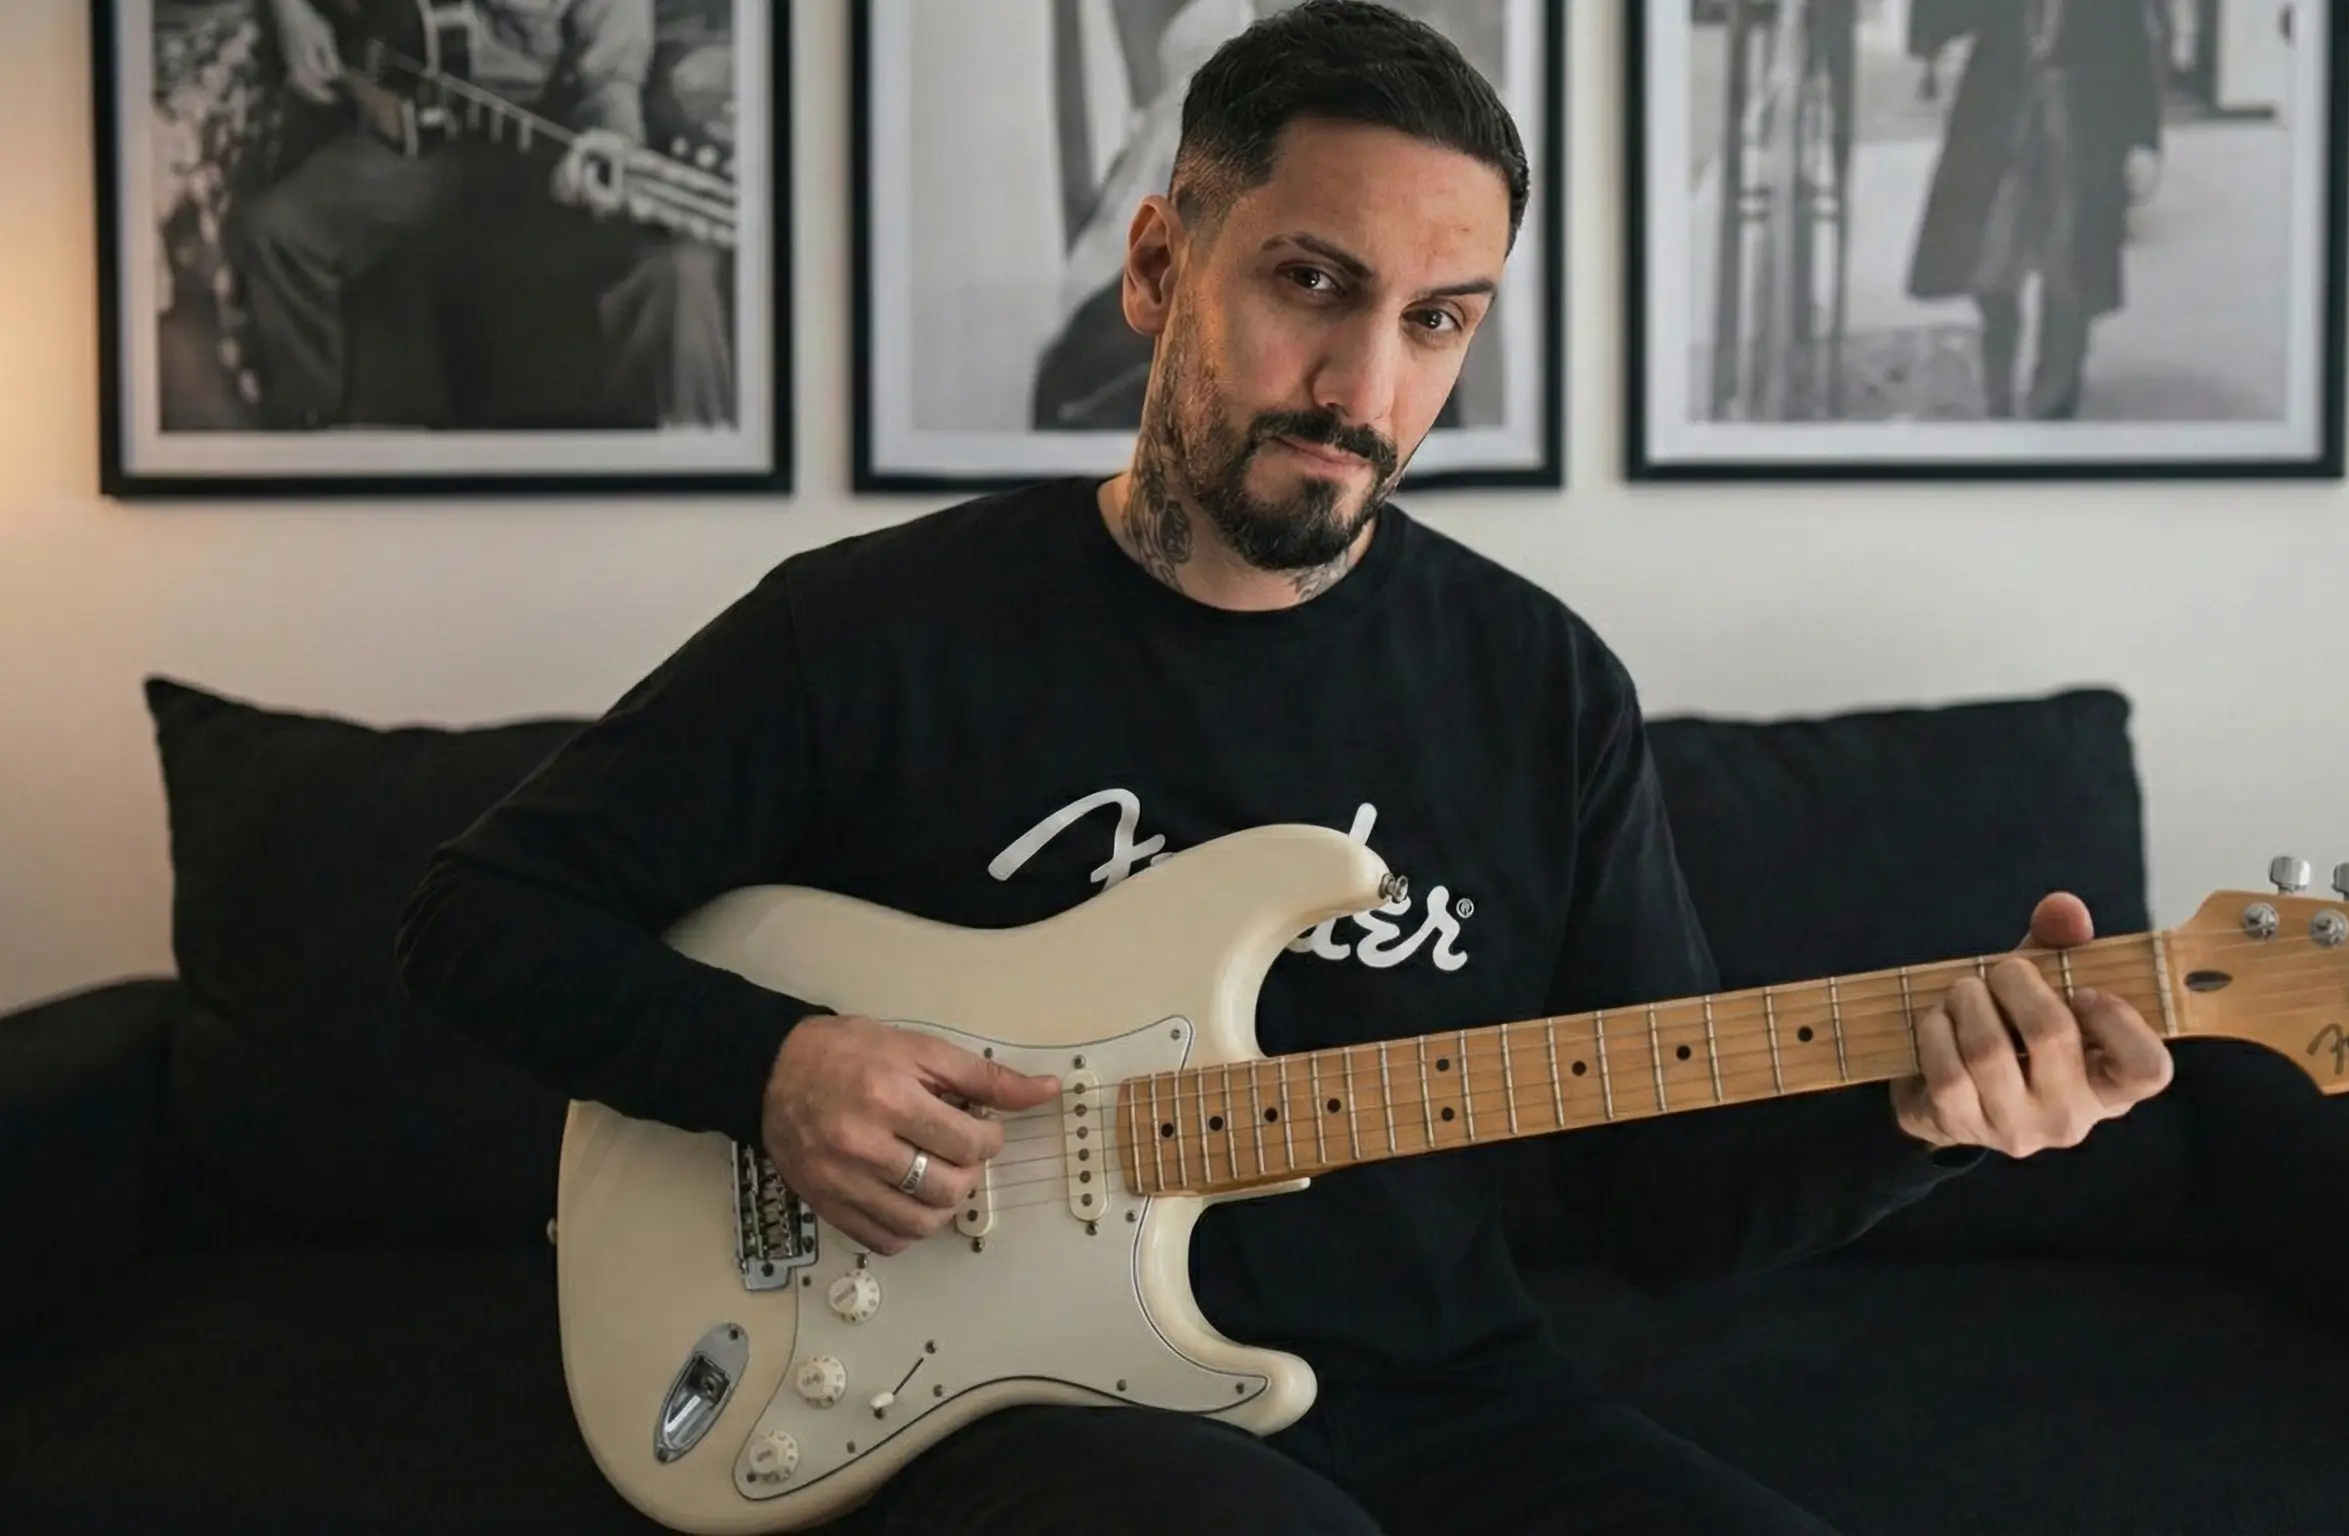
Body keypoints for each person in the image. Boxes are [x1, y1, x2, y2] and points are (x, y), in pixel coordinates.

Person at [394, 3, 2174, 1529]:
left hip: (1441, 1401)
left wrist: (1921, 1117)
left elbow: (1668, 1213)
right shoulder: (872, 631)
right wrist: (772, 1062)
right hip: (998, 1405)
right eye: (1313, 283)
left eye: (1435, 321)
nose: (1361, 383)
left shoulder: (1536, 686)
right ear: (1161, 262)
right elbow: (477, 914)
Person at [229, 0, 734, 431]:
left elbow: (608, 82)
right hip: (412, 137)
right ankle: (311, 475)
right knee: (278, 234)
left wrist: (611, 142)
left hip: (536, 150)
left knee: (673, 274)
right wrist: (292, 12)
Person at [1904, 0, 2169, 419]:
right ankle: (1997, 392)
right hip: (2001, 117)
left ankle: (2054, 404)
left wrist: (2144, 137)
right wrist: (1932, 43)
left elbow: (2135, 41)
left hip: (2081, 120)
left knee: (2071, 271)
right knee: (1991, 264)